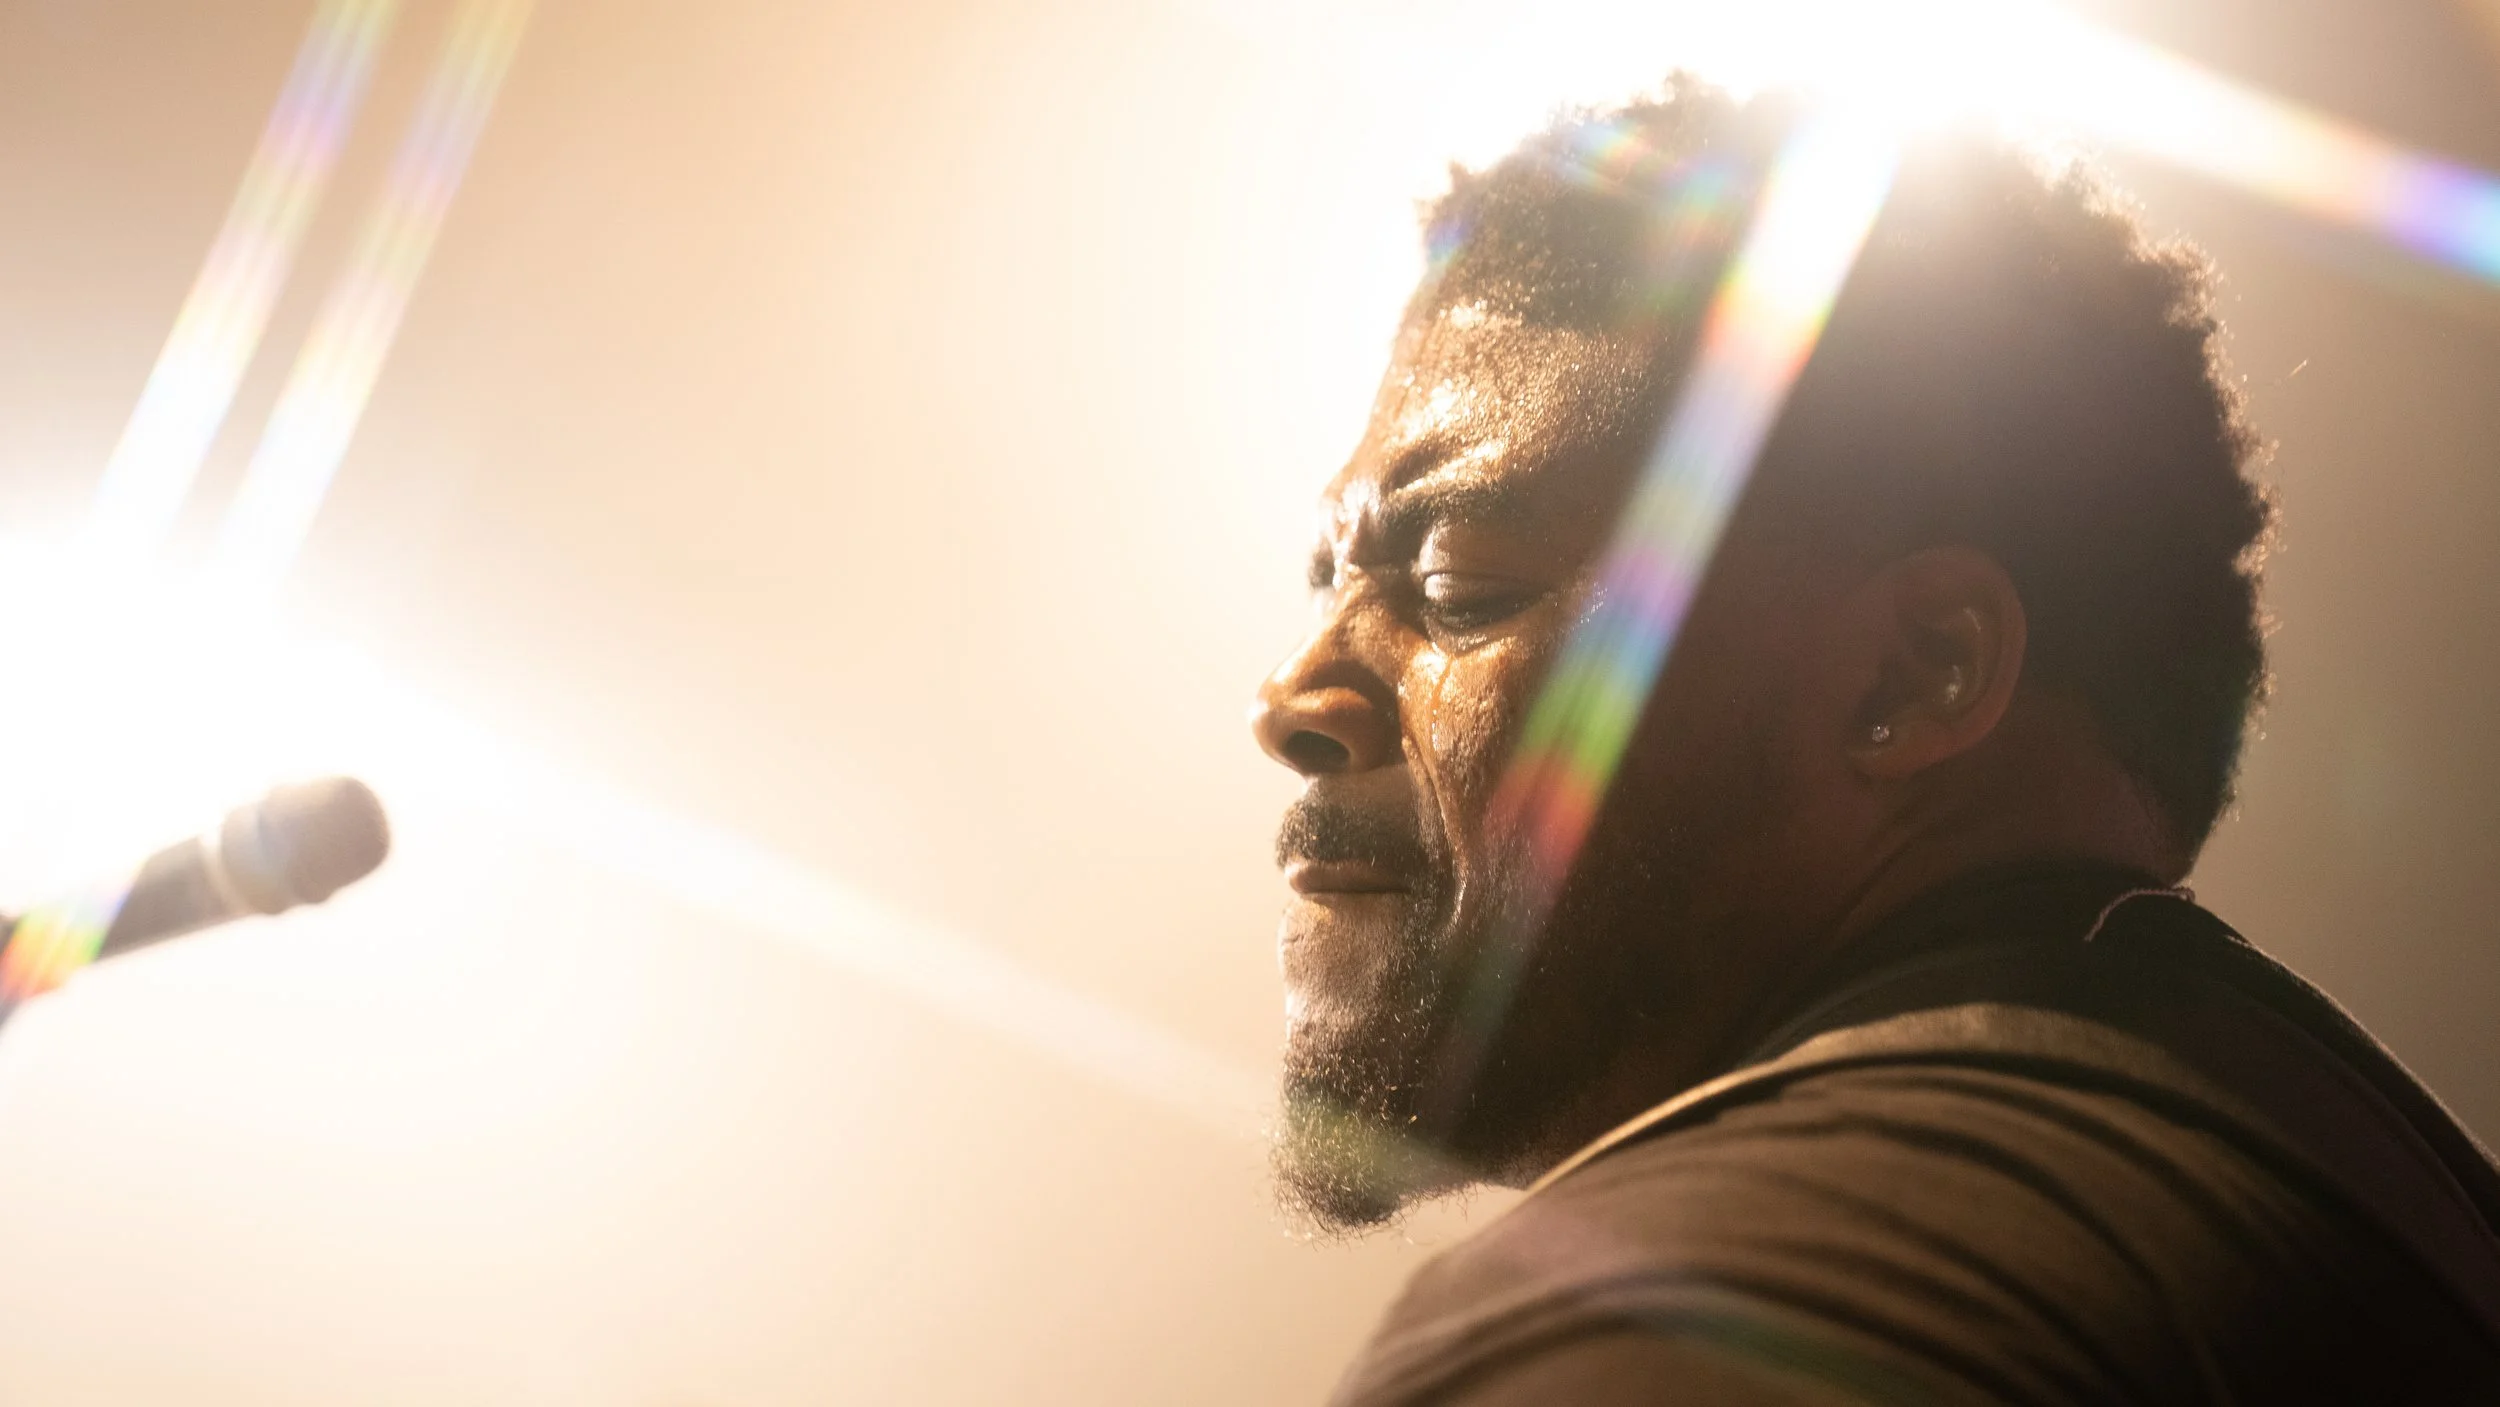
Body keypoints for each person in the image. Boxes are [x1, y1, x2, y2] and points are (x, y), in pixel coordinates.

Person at [1249, 80, 2500, 1404]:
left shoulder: (1691, 1308)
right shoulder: (2368, 1203)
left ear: (1915, 674)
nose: (1292, 696)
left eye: (1455, 586)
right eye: (1331, 578)